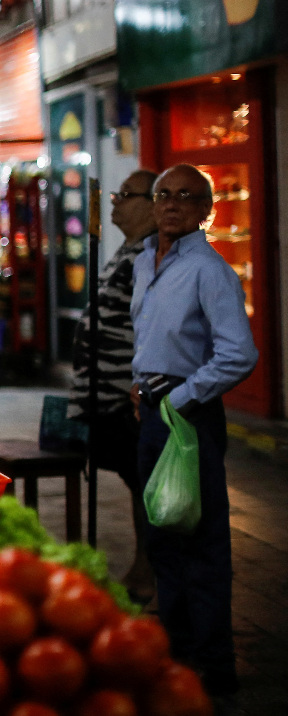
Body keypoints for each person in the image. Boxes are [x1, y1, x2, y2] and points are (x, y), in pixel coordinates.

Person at [130, 163, 257, 698]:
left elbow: (239, 354)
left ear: (206, 210)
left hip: (188, 413)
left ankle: (213, 666)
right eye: (164, 194)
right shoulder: (144, 262)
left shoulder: (210, 271)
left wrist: (178, 399)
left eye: (186, 195)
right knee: (161, 533)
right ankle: (176, 655)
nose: (172, 203)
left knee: (201, 542)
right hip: (153, 410)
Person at [68, 169, 158, 601]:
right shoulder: (130, 249)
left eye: (127, 195)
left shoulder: (154, 253)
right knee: (134, 480)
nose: (116, 201)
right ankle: (145, 566)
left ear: (152, 204)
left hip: (128, 396)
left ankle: (150, 570)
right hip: (104, 395)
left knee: (145, 482)